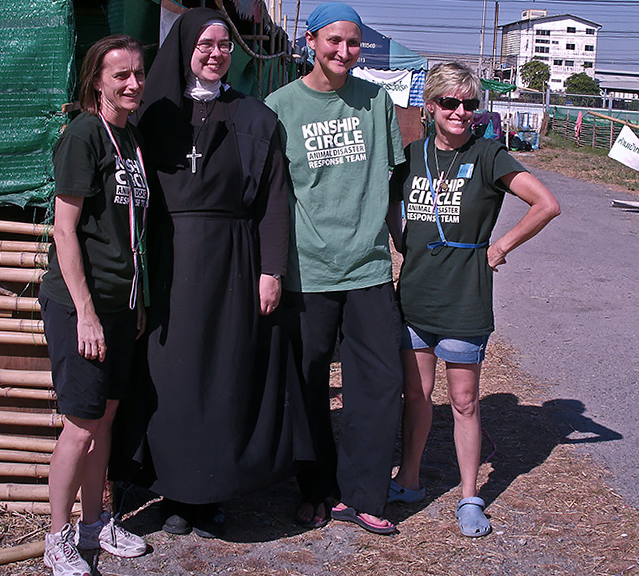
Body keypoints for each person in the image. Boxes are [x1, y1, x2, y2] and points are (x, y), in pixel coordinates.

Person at [112, 8, 299, 539]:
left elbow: (273, 200)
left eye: (225, 44)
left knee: (224, 372)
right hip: (169, 262)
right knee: (170, 377)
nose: (217, 53)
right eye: (206, 44)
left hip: (234, 262)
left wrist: (271, 270)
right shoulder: (153, 115)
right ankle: (173, 488)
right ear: (184, 48)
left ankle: (215, 490)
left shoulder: (257, 118)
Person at [387, 62, 560, 538]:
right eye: (450, 102)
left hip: (465, 303)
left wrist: (500, 247)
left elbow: (547, 204)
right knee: (417, 396)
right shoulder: (410, 156)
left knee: (463, 402)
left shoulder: (490, 156)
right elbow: (386, 201)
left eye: (469, 104)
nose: (460, 111)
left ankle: (470, 496)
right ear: (430, 106)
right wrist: (399, 237)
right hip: (416, 298)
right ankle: (410, 480)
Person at [266, 2, 404, 536]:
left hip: (368, 268)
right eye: (334, 41)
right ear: (309, 41)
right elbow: (272, 198)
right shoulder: (279, 107)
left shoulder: (377, 102)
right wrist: (271, 268)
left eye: (353, 43)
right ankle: (317, 487)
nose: (344, 52)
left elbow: (391, 187)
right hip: (308, 271)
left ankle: (365, 493)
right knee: (306, 385)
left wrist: (403, 242)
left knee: (379, 382)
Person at [38, 35, 149, 576]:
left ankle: (93, 522)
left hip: (120, 303)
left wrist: (135, 301)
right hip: (81, 304)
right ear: (96, 79)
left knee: (104, 419)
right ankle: (56, 536)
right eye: (120, 74)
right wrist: (84, 310)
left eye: (138, 73)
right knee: (81, 423)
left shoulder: (131, 139)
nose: (132, 84)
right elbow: (65, 229)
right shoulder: (83, 135)